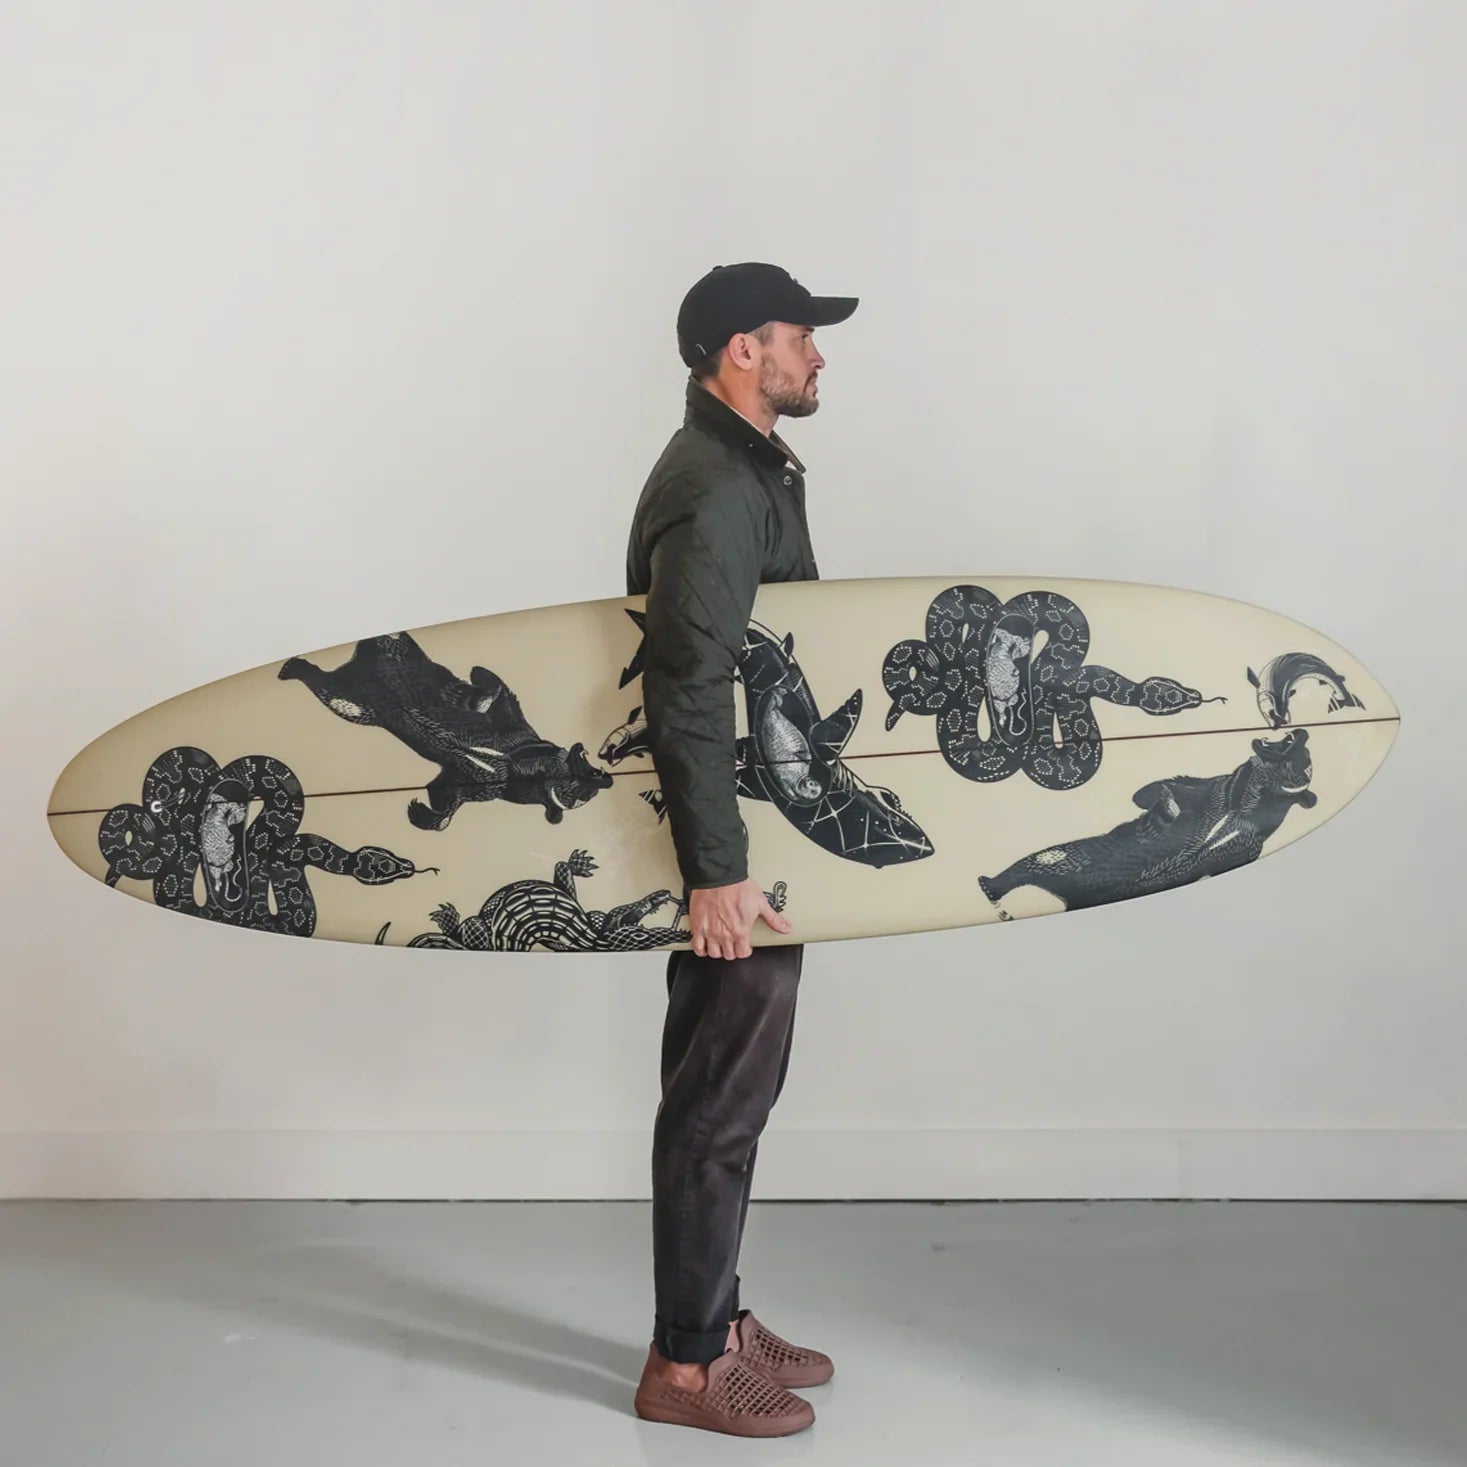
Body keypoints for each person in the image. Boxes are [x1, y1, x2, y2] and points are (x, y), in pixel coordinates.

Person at [624, 262, 858, 1438]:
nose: (817, 356)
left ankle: (712, 1318)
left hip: (759, 835)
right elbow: (686, 679)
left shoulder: (747, 468)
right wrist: (716, 869)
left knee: (731, 1090)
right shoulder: (715, 488)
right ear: (741, 352)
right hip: (736, 849)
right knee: (720, 1100)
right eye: (798, 337)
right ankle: (684, 1367)